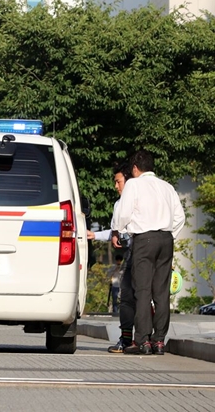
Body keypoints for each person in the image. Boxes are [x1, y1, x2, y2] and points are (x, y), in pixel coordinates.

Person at [112, 150, 185, 355]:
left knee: (142, 290)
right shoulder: (167, 186)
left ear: (135, 168)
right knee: (161, 292)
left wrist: (119, 230)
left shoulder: (134, 184)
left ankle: (142, 341)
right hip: (166, 239)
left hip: (144, 239)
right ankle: (159, 341)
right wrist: (170, 235)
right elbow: (180, 217)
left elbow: (124, 212)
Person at [87, 161, 135, 353]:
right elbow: (117, 232)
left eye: (118, 182)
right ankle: (139, 340)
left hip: (138, 254)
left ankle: (136, 340)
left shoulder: (129, 203)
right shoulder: (120, 203)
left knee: (131, 298)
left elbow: (119, 232)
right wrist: (95, 235)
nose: (116, 186)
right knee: (132, 298)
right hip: (135, 253)